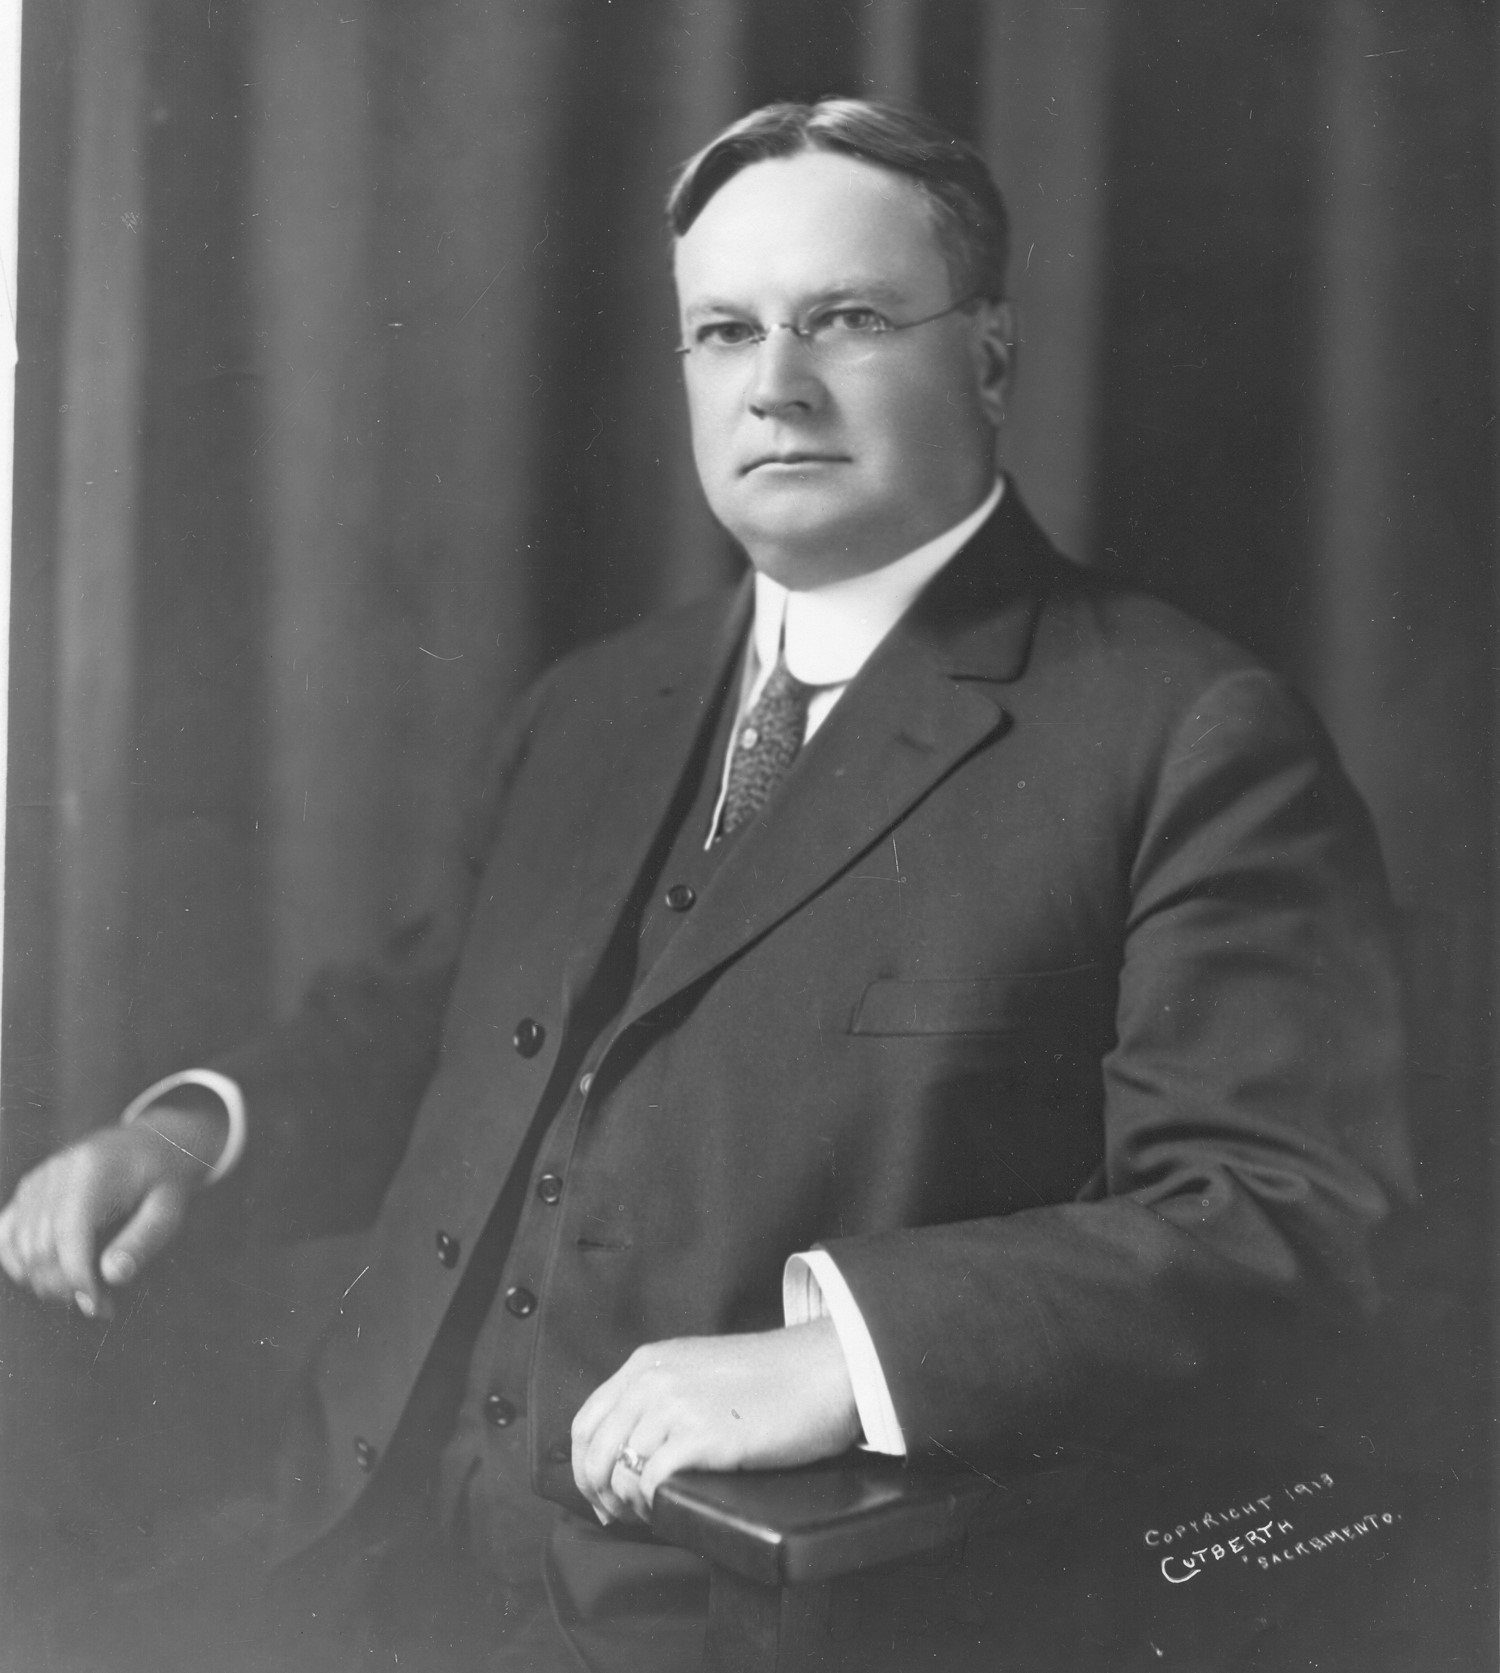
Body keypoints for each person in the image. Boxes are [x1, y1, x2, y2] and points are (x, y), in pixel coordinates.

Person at [0, 99, 1410, 1671]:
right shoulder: (596, 703)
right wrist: (191, 1127)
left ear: (994, 356)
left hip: (736, 1623)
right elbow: (435, 1017)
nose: (777, 386)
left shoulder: (1183, 730)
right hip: (348, 1548)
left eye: (851, 320)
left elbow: (1286, 1223)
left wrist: (846, 1354)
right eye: (724, 331)